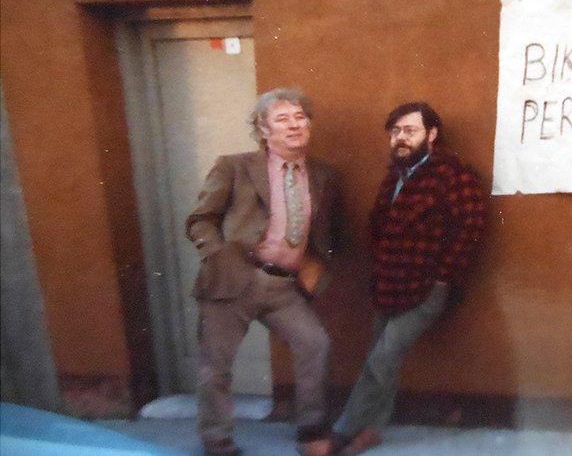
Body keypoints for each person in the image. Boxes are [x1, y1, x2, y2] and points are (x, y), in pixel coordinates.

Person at [186, 88, 343, 456]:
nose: (294, 125)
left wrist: (317, 268)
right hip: (233, 281)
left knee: (315, 345)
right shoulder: (235, 166)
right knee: (216, 366)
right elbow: (200, 220)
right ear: (262, 128)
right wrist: (217, 255)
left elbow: (330, 234)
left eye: (300, 117)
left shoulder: (323, 175)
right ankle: (217, 440)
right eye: (283, 119)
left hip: (284, 287)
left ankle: (311, 432)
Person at [323, 101, 487, 455]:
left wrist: (443, 279)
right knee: (384, 358)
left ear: (431, 134)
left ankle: (342, 432)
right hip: (389, 285)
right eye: (395, 131)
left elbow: (470, 230)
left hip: (426, 288)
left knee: (381, 359)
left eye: (409, 131)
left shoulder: (454, 174)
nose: (400, 138)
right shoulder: (396, 175)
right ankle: (373, 430)